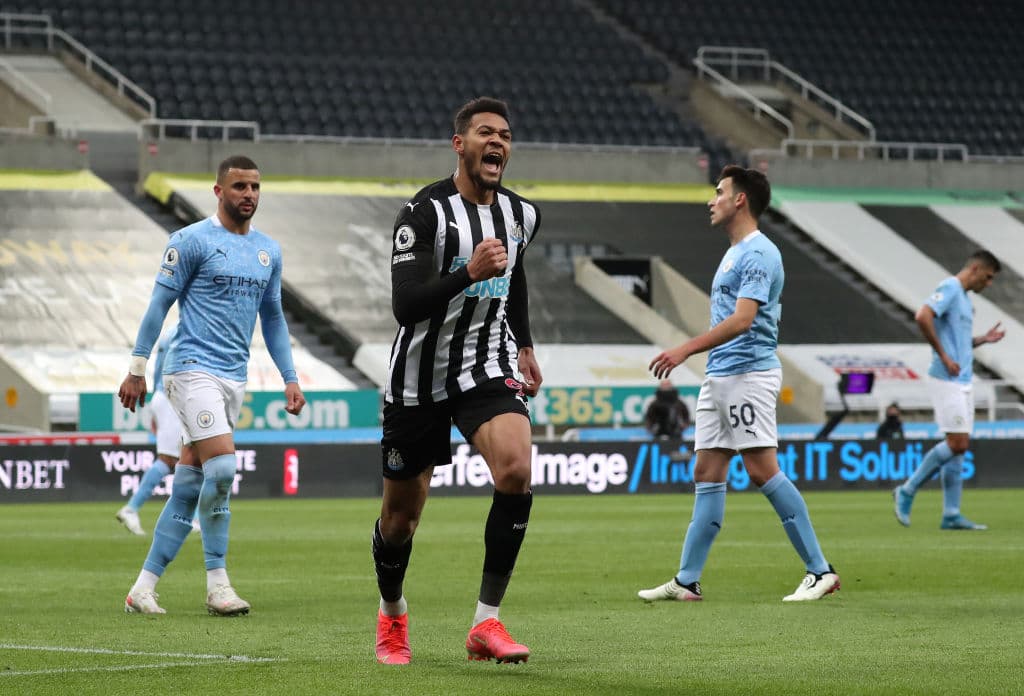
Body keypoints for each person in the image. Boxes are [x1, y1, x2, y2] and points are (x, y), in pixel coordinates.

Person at [372, 97, 542, 665]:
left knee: (517, 467)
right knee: (400, 520)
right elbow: (405, 305)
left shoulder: (522, 214)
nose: (498, 143)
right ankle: (393, 614)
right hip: (419, 376)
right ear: (460, 145)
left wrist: (523, 343)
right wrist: (467, 272)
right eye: (486, 133)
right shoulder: (423, 214)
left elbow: (512, 275)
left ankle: (485, 624)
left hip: (485, 366)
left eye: (506, 135)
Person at [638, 165, 839, 603]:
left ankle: (820, 570)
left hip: (748, 374)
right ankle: (687, 580)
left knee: (761, 470)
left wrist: (685, 348)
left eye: (719, 191)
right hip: (722, 375)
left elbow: (744, 319)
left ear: (740, 199)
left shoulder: (759, 253)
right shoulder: (734, 252)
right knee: (707, 472)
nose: (712, 200)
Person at [118, 155, 305, 616]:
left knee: (189, 484)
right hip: (189, 368)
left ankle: (142, 588)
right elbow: (159, 305)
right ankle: (218, 585)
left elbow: (275, 318)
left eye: (255, 187)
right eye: (239, 186)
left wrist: (290, 377)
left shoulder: (268, 251)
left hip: (232, 376)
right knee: (222, 470)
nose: (249, 195)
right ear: (218, 191)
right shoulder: (190, 242)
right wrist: (137, 368)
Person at [893, 250, 1003, 530]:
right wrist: (943, 355)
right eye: (988, 278)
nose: (988, 284)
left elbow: (960, 342)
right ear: (975, 268)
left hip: (963, 380)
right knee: (958, 443)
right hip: (946, 379)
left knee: (958, 450)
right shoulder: (951, 287)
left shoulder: (965, 301)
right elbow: (922, 315)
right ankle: (907, 489)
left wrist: (983, 340)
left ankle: (951, 513)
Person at [115, 322, 200, 536]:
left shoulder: (170, 331)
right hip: (173, 398)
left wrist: (156, 405)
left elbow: (159, 369)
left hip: (164, 397)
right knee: (172, 460)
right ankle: (133, 509)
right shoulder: (187, 331)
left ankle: (191, 517)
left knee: (189, 458)